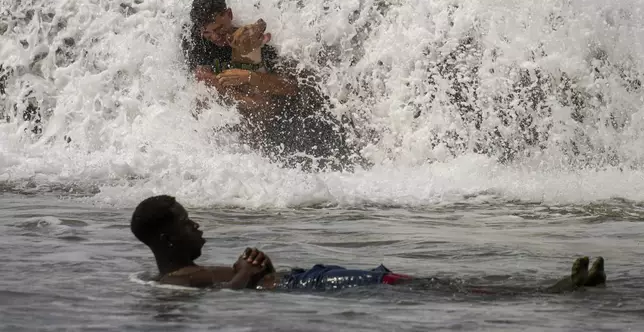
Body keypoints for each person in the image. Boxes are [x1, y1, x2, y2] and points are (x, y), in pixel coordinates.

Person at [131, 195, 606, 293]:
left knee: (413, 282)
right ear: (168, 235)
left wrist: (257, 267)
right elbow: (230, 296)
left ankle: (551, 288)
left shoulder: (180, 275)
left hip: (302, 280)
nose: (200, 228)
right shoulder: (178, 282)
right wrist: (245, 274)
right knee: (408, 283)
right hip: (305, 288)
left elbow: (236, 285)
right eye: (189, 222)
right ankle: (553, 291)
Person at [181, 0, 366, 172]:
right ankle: (207, 159)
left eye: (220, 29)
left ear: (229, 15)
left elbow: (291, 87)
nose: (215, 37)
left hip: (271, 109)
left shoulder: (253, 41)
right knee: (201, 97)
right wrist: (242, 98)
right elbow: (205, 79)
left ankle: (257, 163)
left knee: (263, 104)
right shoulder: (196, 39)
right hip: (230, 102)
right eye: (208, 33)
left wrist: (249, 77)